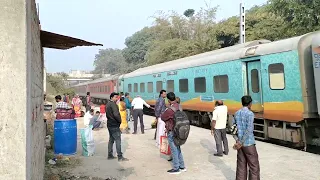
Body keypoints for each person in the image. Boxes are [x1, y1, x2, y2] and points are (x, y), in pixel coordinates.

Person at [234, 95, 260, 180]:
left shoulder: (237, 113)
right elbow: (249, 129)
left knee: (241, 166)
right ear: (250, 104)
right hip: (248, 144)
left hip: (240, 146)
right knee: (254, 167)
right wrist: (242, 142)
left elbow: (233, 129)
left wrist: (238, 141)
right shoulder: (250, 114)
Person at [161, 92, 186, 174]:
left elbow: (163, 117)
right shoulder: (179, 106)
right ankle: (182, 166)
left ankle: (176, 168)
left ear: (168, 100)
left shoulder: (170, 110)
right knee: (178, 148)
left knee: (174, 149)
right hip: (179, 130)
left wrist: (167, 109)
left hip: (172, 131)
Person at [106, 92, 128, 161]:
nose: (116, 98)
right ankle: (120, 157)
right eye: (115, 97)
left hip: (109, 124)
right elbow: (116, 115)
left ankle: (110, 155)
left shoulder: (108, 104)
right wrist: (120, 121)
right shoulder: (113, 105)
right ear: (111, 97)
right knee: (118, 140)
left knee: (111, 140)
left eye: (117, 97)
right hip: (114, 125)